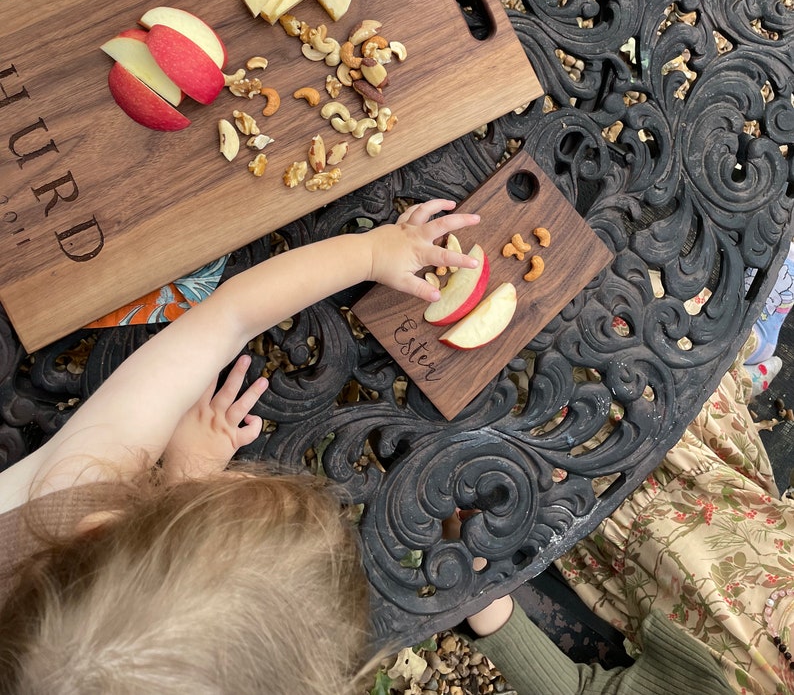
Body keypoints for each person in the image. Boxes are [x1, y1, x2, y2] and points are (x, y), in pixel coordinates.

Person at [0, 199, 481, 695]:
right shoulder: (86, 525)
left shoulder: (74, 481)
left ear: (95, 531)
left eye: (207, 498)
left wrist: (374, 252)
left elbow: (231, 316)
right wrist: (189, 473)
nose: (227, 475)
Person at [447, 250, 794, 695]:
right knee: (611, 291)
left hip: (592, 497)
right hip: (702, 443)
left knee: (501, 366)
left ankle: (756, 349)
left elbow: (579, 689)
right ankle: (755, 349)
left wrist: (482, 598)